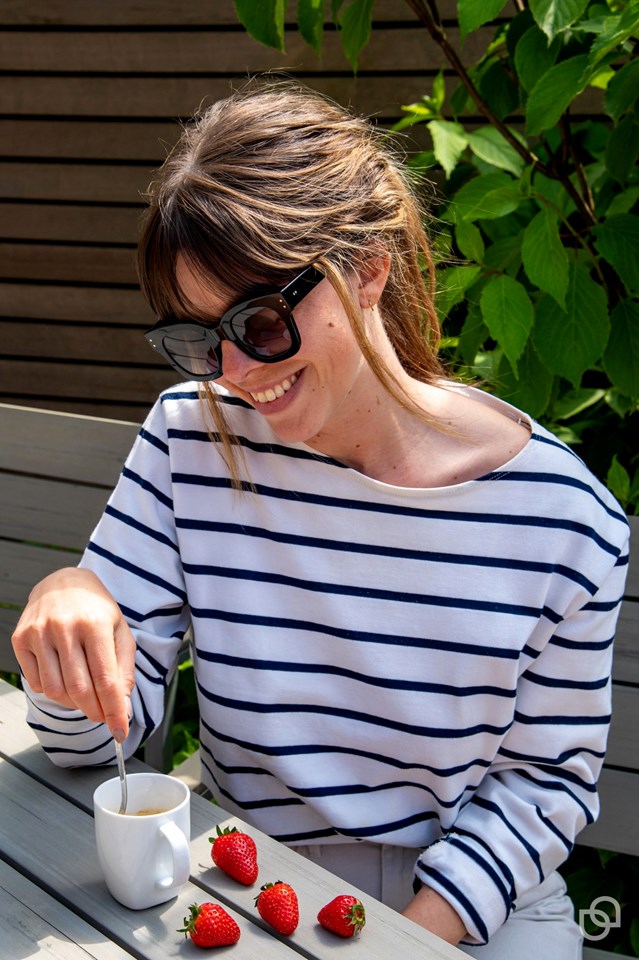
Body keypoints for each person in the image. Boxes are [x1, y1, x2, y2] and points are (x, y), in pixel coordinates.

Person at [12, 79, 629, 957]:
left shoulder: (562, 518)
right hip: (245, 877)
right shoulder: (192, 439)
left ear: (369, 268)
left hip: (469, 907)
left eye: (261, 321)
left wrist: (401, 943)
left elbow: (541, 784)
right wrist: (68, 612)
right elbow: (89, 745)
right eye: (199, 340)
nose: (233, 372)